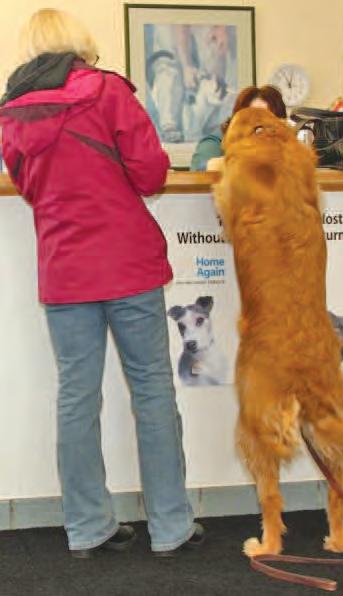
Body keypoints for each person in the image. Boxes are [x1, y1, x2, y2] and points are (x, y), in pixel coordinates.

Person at [0, 8, 204, 559]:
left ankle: (88, 527)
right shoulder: (108, 90)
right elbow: (152, 173)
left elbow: (27, 185)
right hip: (128, 263)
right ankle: (170, 525)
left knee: (76, 396)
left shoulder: (13, 110)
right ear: (80, 45)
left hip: (65, 269)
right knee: (152, 390)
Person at [190, 84, 287, 171]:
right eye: (255, 117)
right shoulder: (216, 141)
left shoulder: (284, 144)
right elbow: (198, 173)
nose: (262, 127)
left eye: (269, 120)